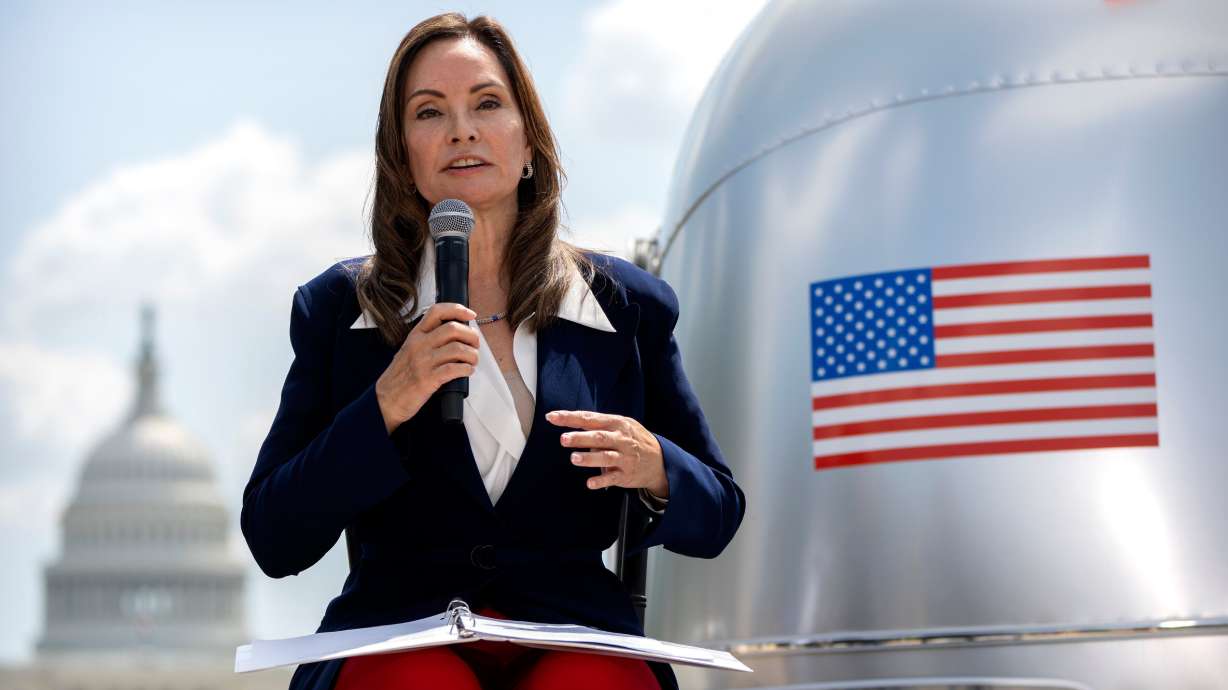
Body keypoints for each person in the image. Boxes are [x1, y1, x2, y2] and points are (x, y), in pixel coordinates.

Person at [241, 12, 745, 690]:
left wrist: (655, 464)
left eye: (487, 103)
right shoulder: (342, 310)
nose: (462, 130)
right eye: (429, 113)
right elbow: (275, 539)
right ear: (403, 156)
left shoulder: (625, 306)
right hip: (401, 636)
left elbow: (718, 512)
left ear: (530, 142)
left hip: (572, 636)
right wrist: (386, 404)